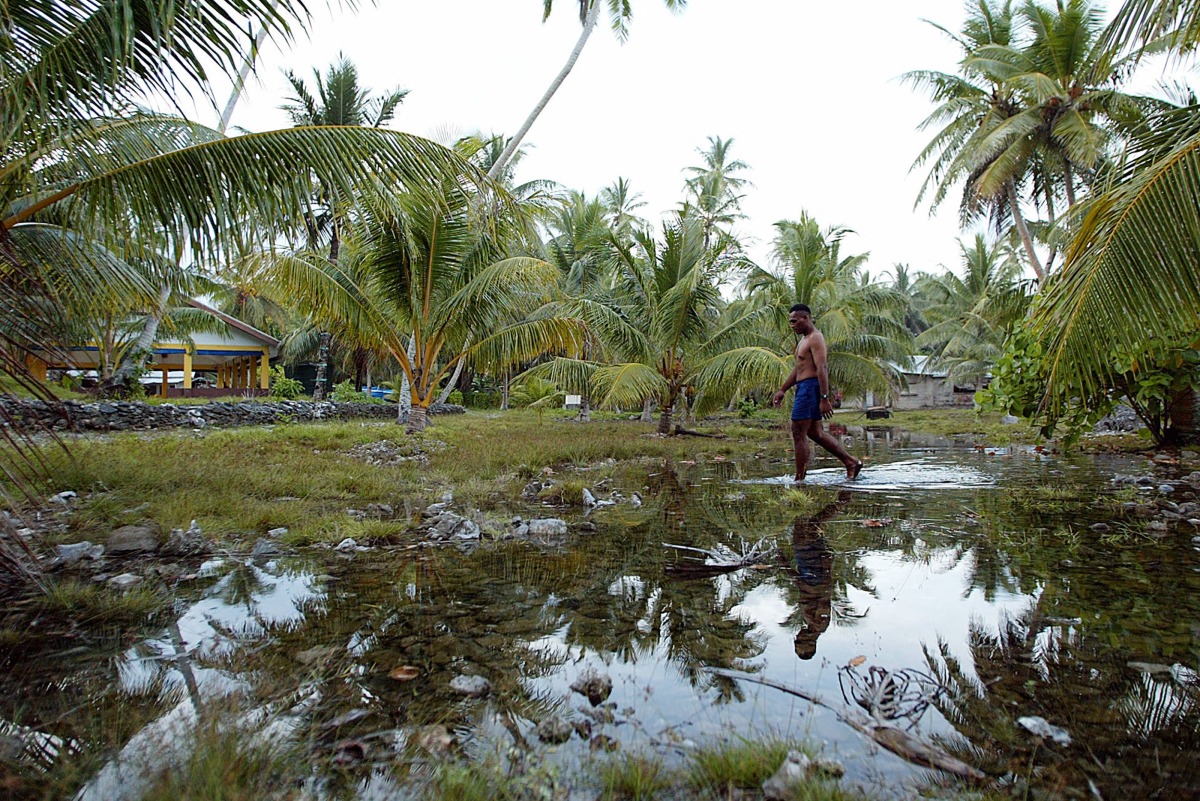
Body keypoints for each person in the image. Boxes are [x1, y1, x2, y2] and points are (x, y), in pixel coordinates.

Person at [771, 303, 863, 483]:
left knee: (798, 432)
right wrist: (783, 389)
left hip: (810, 388)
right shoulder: (803, 340)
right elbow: (798, 369)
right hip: (803, 387)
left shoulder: (815, 338)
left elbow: (822, 368)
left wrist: (824, 398)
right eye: (790, 322)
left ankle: (799, 479)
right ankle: (851, 462)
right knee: (815, 433)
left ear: (805, 318)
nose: (792, 325)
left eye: (794, 321)